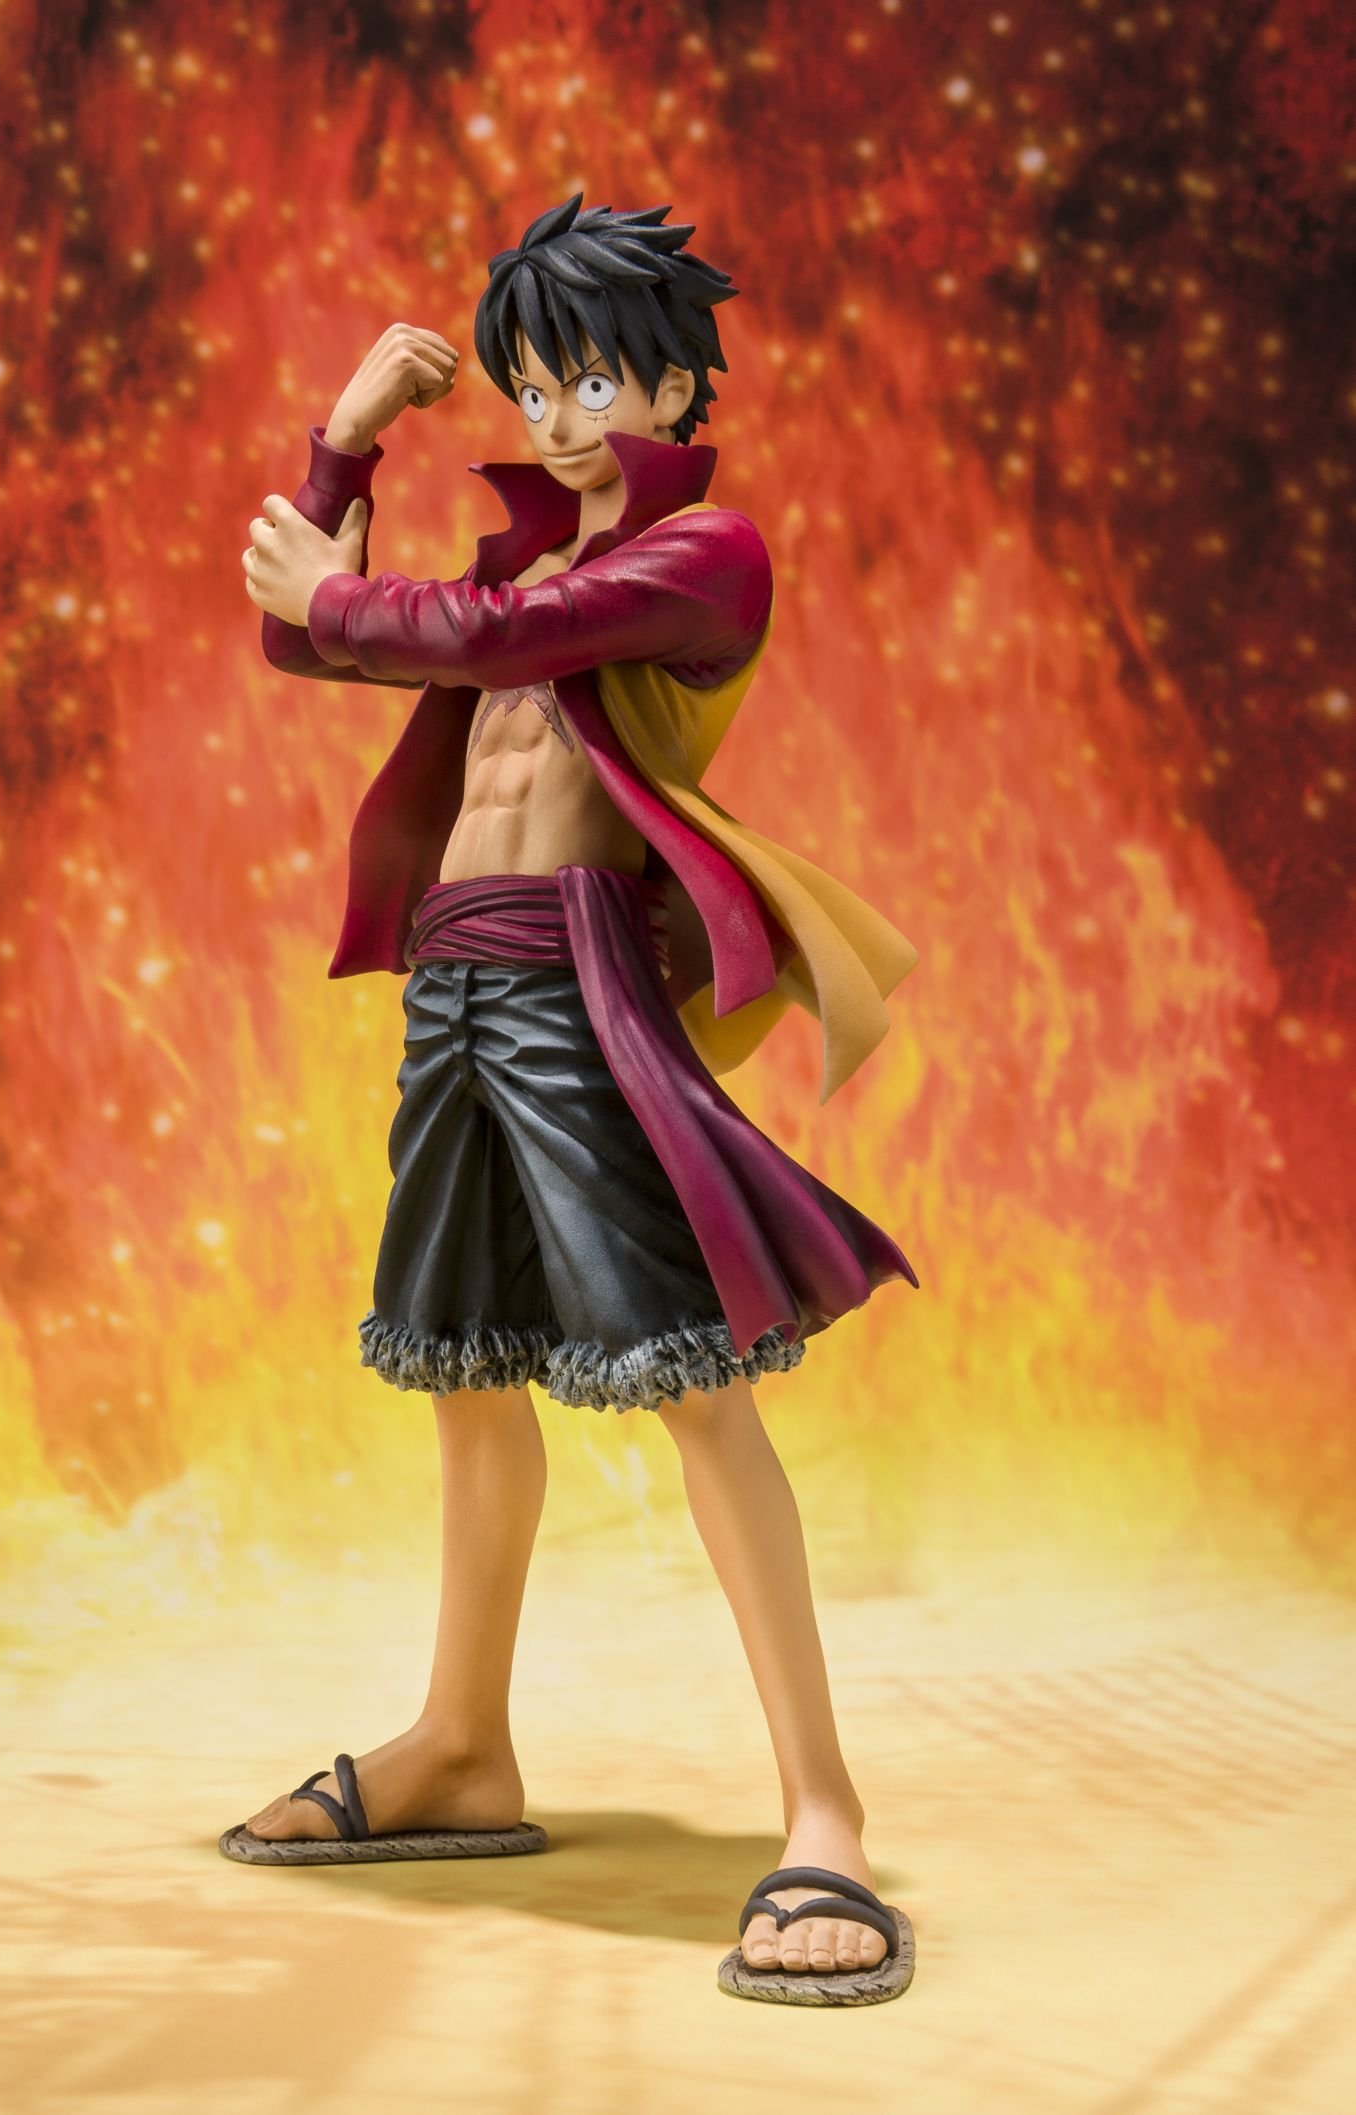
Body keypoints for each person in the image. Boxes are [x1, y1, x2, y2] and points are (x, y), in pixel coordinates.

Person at [230, 194, 918, 2004]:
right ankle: (464, 1745)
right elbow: (317, 642)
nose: (558, 418)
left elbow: (445, 632)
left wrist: (341, 582)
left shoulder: (703, 559)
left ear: (680, 383)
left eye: (594, 380)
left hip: (574, 985)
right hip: (452, 981)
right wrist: (345, 442)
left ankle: (825, 1812)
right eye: (534, 388)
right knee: (464, 1372)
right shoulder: (526, 569)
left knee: (692, 1383)